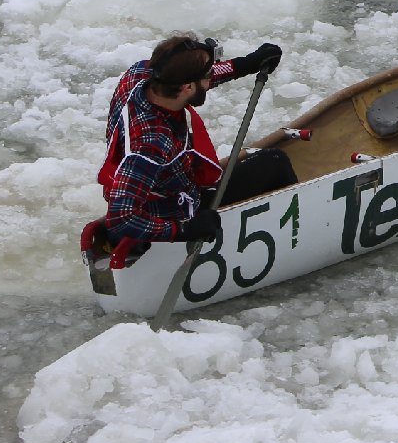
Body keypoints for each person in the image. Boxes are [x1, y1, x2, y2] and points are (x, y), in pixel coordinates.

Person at [84, 34, 284, 270]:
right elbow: (121, 218)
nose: (210, 79)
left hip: (161, 189)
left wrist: (245, 64)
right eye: (207, 75)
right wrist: (184, 230)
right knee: (275, 162)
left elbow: (192, 76)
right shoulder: (152, 145)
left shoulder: (140, 75)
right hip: (172, 215)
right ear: (187, 87)